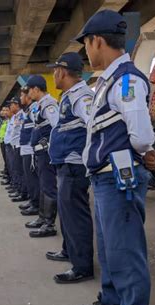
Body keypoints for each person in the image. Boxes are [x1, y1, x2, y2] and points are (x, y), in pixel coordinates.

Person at [74, 10, 155, 305]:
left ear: (97, 40)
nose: (86, 52)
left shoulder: (126, 80)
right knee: (109, 249)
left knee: (126, 253)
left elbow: (141, 135)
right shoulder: (108, 81)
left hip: (119, 178)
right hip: (107, 178)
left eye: (86, 45)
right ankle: (111, 301)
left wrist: (145, 151)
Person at [46, 52, 95, 284]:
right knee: (67, 214)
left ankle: (82, 265)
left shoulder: (81, 95)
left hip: (74, 165)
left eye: (55, 70)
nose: (53, 75)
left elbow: (94, 124)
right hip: (65, 164)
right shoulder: (68, 96)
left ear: (62, 71)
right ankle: (69, 250)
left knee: (75, 216)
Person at [24, 75, 59, 239]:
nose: (28, 93)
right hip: (39, 152)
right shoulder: (39, 105)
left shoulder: (49, 104)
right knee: (43, 186)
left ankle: (49, 224)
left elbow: (57, 126)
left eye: (29, 90)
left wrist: (49, 144)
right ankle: (43, 217)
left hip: (46, 152)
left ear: (36, 89)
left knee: (48, 186)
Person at [19, 86, 41, 224]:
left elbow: (37, 127)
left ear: (28, 96)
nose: (21, 98)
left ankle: (35, 204)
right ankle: (33, 201)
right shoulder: (29, 110)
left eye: (22, 95)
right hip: (27, 148)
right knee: (29, 177)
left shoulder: (34, 108)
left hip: (31, 149)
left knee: (34, 180)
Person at [7, 97, 28, 202]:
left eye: (12, 104)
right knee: (17, 169)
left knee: (21, 171)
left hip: (20, 146)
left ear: (17, 105)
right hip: (15, 146)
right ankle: (19, 190)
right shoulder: (16, 116)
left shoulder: (22, 116)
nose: (10, 106)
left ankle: (23, 192)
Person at [0, 105, 10, 182]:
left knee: (8, 160)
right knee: (6, 159)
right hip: (2, 141)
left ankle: (8, 175)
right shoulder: (4, 121)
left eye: (5, 110)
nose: (3, 112)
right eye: (3, 110)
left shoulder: (9, 121)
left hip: (6, 142)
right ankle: (6, 172)